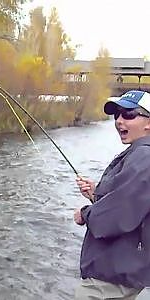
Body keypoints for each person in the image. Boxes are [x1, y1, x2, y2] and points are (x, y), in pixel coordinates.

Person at [74, 90, 150, 300]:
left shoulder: (144, 157)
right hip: (124, 270)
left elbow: (119, 214)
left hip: (112, 277)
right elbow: (132, 199)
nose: (119, 120)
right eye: (117, 114)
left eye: (129, 114)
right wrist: (96, 193)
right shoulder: (139, 154)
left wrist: (85, 213)